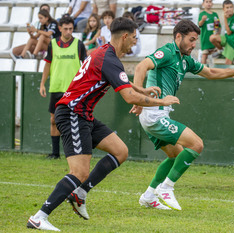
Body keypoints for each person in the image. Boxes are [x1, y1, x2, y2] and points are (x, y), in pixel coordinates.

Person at [27, 17, 180, 231]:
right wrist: (160, 101)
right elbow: (128, 97)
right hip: (72, 113)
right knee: (79, 172)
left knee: (120, 151)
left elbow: (124, 83)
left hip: (83, 114)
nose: (135, 42)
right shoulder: (109, 58)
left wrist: (143, 91)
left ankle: (80, 194)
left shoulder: (105, 52)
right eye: (134, 38)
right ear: (125, 36)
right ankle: (39, 217)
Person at [128, 19, 234, 210]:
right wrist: (137, 97)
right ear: (179, 36)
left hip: (159, 115)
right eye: (191, 40)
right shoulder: (167, 52)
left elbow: (210, 73)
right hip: (154, 114)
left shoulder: (185, 60)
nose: (194, 45)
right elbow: (140, 67)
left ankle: (148, 195)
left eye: (196, 41)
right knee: (196, 144)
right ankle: (167, 188)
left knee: (175, 156)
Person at [39, 16, 87, 160]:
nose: (68, 31)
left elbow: (85, 66)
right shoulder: (52, 44)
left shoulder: (79, 44)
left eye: (71, 29)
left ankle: (75, 153)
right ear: (59, 29)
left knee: (76, 121)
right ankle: (55, 153)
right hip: (56, 88)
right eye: (65, 29)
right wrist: (42, 83)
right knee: (53, 120)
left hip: (74, 90)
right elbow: (47, 64)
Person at [209, 0, 234, 65]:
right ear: (223, 9)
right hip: (226, 39)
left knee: (227, 63)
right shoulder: (228, 17)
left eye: (231, 7)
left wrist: (225, 19)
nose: (229, 9)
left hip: (232, 42)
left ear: (233, 7)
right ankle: (221, 50)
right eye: (227, 7)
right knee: (212, 38)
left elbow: (229, 32)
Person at [198, 0, 221, 64]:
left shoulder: (215, 14)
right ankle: (203, 69)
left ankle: (213, 70)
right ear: (203, 4)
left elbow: (219, 26)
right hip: (205, 39)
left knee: (214, 55)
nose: (208, 3)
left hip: (213, 40)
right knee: (205, 54)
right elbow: (199, 25)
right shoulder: (202, 14)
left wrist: (218, 34)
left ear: (212, 3)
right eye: (207, 2)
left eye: (210, 2)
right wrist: (202, 20)